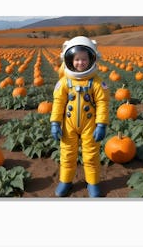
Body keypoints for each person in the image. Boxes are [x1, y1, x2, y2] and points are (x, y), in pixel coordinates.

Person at [50, 36, 110, 197]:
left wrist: (101, 124)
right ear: (69, 60)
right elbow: (58, 103)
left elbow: (103, 103)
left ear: (92, 59)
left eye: (84, 59)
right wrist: (55, 122)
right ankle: (65, 181)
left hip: (89, 125)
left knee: (91, 155)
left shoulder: (96, 83)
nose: (80, 63)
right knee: (67, 154)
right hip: (68, 125)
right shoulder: (64, 82)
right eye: (77, 59)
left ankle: (93, 183)